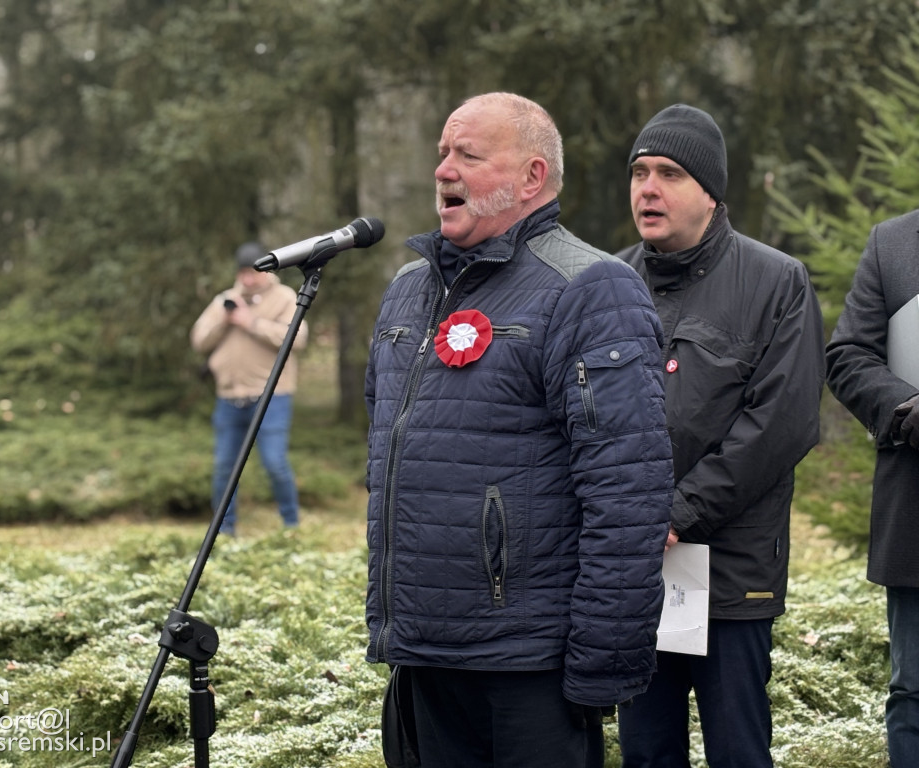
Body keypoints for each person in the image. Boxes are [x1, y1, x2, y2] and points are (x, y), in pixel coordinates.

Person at [364, 91, 674, 768]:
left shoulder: (591, 288)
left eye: (468, 155)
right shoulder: (409, 290)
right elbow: (386, 452)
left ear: (532, 177)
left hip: (528, 666)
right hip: (422, 655)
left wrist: (601, 665)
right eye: (442, 153)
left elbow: (628, 495)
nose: (444, 170)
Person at [614, 104, 825, 768]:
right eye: (639, 172)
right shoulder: (608, 283)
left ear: (710, 192)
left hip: (731, 572)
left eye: (669, 173)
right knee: (647, 751)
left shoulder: (776, 281)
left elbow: (782, 424)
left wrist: (678, 512)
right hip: (635, 569)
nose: (648, 188)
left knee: (738, 750)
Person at [825, 208, 919, 768]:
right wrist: (907, 409)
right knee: (915, 695)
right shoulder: (894, 243)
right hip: (916, 514)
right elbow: (848, 356)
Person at [190, 241, 306, 534]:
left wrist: (250, 322)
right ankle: (224, 530)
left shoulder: (284, 297)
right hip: (229, 398)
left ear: (267, 270)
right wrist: (226, 319)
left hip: (272, 397)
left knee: (275, 463)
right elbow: (199, 340)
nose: (248, 279)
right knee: (224, 468)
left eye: (253, 272)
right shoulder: (225, 300)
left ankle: (291, 526)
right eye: (242, 273)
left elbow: (296, 338)